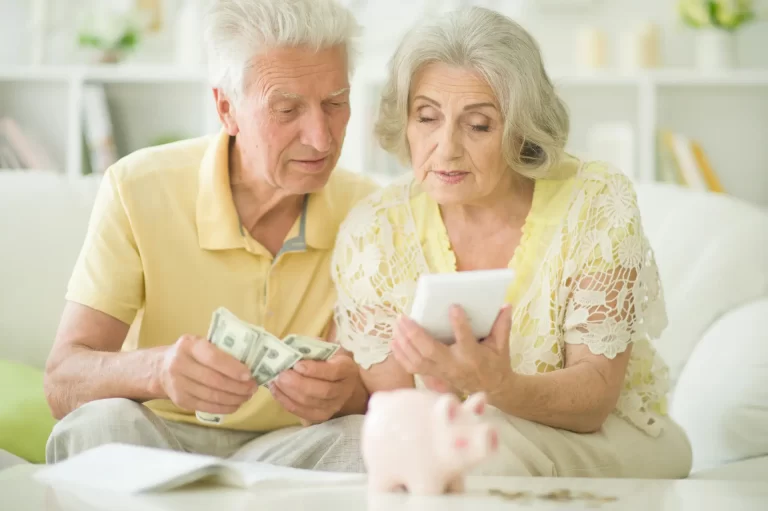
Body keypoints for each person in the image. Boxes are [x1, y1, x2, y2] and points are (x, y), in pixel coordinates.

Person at [331, 7, 693, 479]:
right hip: (462, 443)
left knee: (485, 455)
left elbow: (595, 399)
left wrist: (497, 385)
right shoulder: (373, 232)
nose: (446, 147)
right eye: (426, 117)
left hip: (610, 437)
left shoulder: (595, 201)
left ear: (521, 127)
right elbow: (399, 412)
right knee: (458, 455)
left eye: (478, 125)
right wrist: (448, 388)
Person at [44, 0, 377, 471]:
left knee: (369, 439)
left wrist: (348, 392)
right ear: (226, 109)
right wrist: (158, 371)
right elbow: (62, 380)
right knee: (96, 425)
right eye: (286, 109)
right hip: (156, 434)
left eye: (335, 104)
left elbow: (385, 388)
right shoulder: (137, 186)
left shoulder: (371, 212)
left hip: (291, 448)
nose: (322, 139)